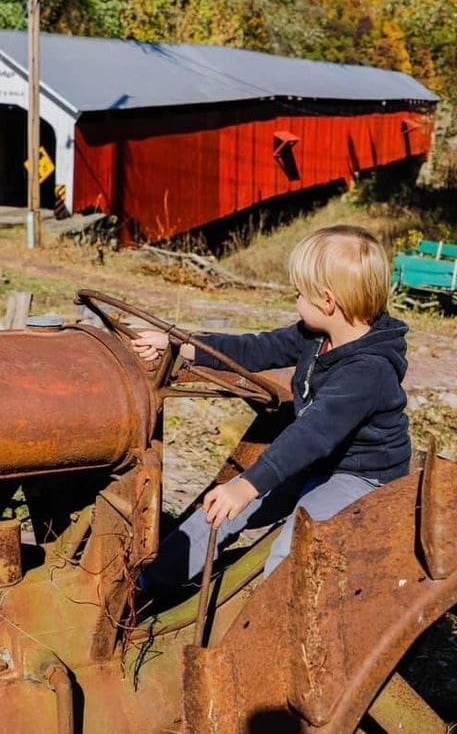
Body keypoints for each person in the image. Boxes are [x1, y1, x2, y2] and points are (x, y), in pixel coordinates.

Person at [132, 224, 410, 599]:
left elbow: (313, 433)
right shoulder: (317, 335)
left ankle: (274, 633)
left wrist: (247, 485)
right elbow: (255, 349)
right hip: (315, 462)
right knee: (217, 510)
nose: (295, 299)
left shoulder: (368, 371)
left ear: (328, 301)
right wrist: (180, 345)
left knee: (292, 548)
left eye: (300, 293)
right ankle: (146, 586)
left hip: (360, 477)